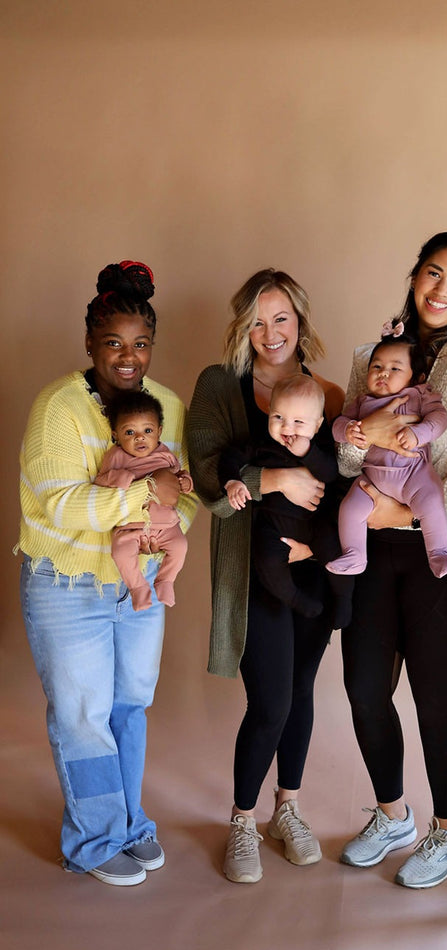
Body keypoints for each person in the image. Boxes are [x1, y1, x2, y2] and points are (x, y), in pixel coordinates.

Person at [18, 260, 197, 886]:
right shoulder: (58, 407)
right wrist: (150, 503)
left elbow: (188, 494)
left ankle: (129, 823)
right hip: (67, 586)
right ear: (89, 342)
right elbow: (59, 502)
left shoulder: (167, 406)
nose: (128, 357)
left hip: (136, 582)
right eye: (114, 343)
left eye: (141, 344)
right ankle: (94, 842)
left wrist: (168, 522)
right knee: (83, 713)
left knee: (130, 705)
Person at [337, 231, 447, 889]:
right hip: (373, 549)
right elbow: (347, 455)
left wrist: (403, 507)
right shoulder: (372, 355)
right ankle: (392, 813)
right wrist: (367, 451)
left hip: (441, 546)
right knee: (365, 686)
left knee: (434, 694)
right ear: (415, 275)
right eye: (435, 273)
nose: (443, 289)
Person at [187, 268, 344, 884]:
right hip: (253, 573)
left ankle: (289, 809)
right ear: (241, 327)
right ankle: (243, 820)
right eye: (256, 320)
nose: (269, 332)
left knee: (300, 692)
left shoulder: (325, 395)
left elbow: (350, 476)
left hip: (313, 572)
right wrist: (274, 479)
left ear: (300, 321)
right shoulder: (219, 385)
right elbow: (206, 480)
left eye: (280, 318)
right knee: (271, 698)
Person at [223, 373, 352, 628]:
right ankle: (295, 599)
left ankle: (343, 599)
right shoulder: (261, 441)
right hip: (273, 524)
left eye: (298, 422)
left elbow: (330, 473)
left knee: (336, 552)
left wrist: (307, 452)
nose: (287, 428)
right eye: (278, 417)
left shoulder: (320, 444)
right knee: (266, 559)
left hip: (314, 522)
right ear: (268, 411)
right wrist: (232, 481)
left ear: (316, 425)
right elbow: (231, 457)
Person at [327, 328, 447, 579]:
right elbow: (337, 425)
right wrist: (350, 431)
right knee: (350, 508)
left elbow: (440, 419)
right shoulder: (362, 402)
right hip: (373, 478)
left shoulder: (419, 395)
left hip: (414, 475)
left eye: (395, 368)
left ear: (415, 377)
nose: (383, 373)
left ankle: (438, 553)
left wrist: (419, 433)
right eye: (376, 367)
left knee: (431, 503)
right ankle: (354, 555)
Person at [95, 391, 194, 611]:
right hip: (130, 527)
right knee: (120, 553)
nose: (140, 437)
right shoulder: (116, 456)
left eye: (147, 430)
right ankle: (138, 588)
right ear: (116, 435)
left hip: (166, 526)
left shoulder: (165, 455)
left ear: (159, 432)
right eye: (130, 432)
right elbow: (101, 480)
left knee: (180, 546)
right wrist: (123, 478)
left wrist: (185, 482)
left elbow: (177, 475)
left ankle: (165, 580)